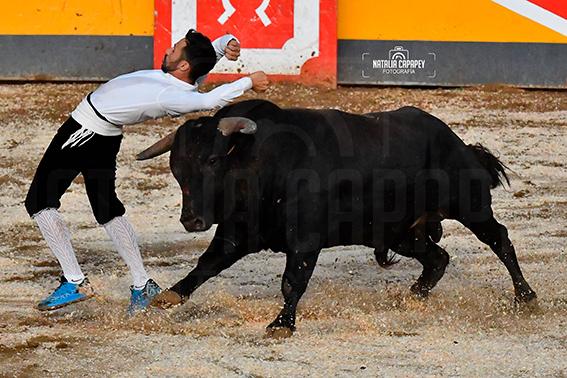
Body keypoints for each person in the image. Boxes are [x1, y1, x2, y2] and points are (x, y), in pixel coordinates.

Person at [24, 29, 270, 314]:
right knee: (107, 209)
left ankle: (74, 280)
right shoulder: (180, 80)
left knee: (39, 202)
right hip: (104, 133)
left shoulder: (173, 96)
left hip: (85, 131)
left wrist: (248, 82)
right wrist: (222, 43)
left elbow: (209, 101)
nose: (168, 49)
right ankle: (142, 284)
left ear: (183, 65)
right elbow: (198, 69)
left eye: (175, 48)